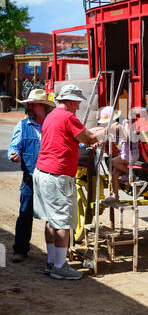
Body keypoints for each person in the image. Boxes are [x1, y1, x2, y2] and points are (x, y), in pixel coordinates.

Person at [32, 84, 103, 280]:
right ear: (70, 101)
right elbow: (87, 138)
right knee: (62, 223)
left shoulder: (52, 115)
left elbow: (71, 138)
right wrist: (105, 131)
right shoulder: (67, 117)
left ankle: (52, 262)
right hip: (57, 174)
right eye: (77, 103)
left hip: (43, 171)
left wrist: (89, 136)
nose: (78, 107)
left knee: (51, 221)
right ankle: (60, 267)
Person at [8, 89, 55, 263]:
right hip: (30, 177)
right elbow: (14, 146)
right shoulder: (22, 125)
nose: (29, 107)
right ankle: (20, 249)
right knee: (25, 213)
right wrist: (13, 154)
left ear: (43, 106)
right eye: (28, 104)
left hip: (50, 176)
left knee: (53, 217)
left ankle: (55, 254)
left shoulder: (52, 124)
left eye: (33, 104)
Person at [98, 106, 139, 205]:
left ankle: (131, 174)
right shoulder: (114, 129)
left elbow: (128, 138)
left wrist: (120, 129)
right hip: (124, 154)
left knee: (112, 162)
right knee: (114, 174)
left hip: (131, 154)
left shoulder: (125, 123)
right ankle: (116, 197)